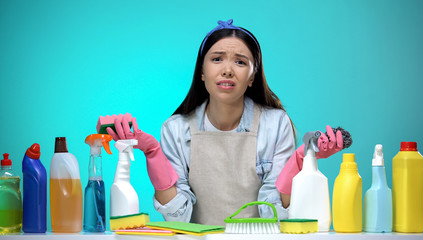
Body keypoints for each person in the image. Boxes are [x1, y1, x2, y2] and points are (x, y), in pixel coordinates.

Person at [107, 19, 343, 226]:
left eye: (240, 62)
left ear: (252, 76)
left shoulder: (275, 124)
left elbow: (276, 214)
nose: (228, 70)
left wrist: (299, 161)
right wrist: (153, 152)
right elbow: (178, 217)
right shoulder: (176, 128)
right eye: (217, 59)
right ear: (202, 71)